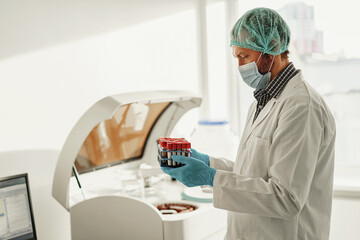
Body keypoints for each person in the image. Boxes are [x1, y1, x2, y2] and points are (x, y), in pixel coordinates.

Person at [161, 7, 336, 240]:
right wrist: (208, 163)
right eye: (237, 58)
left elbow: (286, 198)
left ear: (271, 49)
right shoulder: (263, 99)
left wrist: (210, 177)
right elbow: (255, 173)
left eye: (244, 56)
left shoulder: (301, 106)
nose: (240, 67)